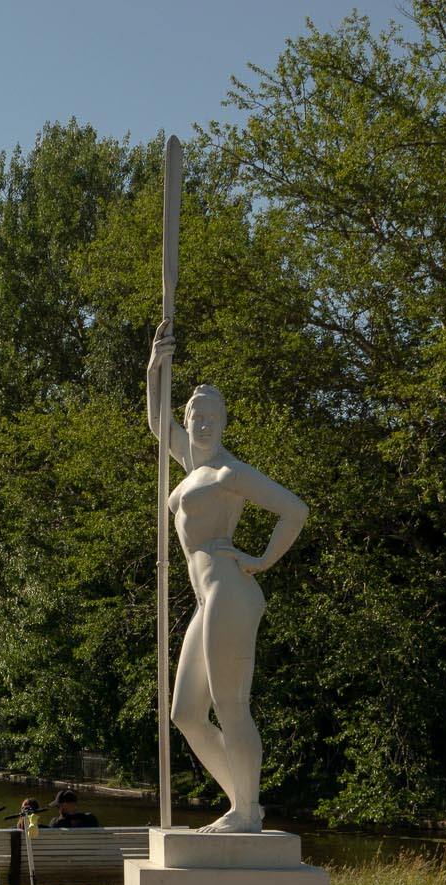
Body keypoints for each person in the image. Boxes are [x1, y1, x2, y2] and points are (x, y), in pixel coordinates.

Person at [147, 322, 308, 833]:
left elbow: (294, 510)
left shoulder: (227, 474)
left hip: (229, 588)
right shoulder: (191, 467)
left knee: (229, 704)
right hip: (206, 598)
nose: (204, 425)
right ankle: (245, 802)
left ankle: (245, 813)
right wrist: (156, 364)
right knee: (186, 714)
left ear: (224, 423)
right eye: (198, 416)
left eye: (214, 417)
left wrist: (261, 560)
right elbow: (157, 422)